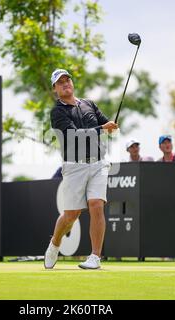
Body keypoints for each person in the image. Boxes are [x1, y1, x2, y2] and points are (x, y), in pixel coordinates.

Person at [44, 68, 118, 270]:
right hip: (74, 166)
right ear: (55, 89)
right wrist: (103, 128)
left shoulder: (89, 104)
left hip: (98, 162)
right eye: (61, 82)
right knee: (71, 215)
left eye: (68, 80)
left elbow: (104, 122)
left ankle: (95, 257)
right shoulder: (57, 112)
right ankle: (55, 243)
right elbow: (74, 135)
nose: (66, 83)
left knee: (96, 204)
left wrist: (110, 125)